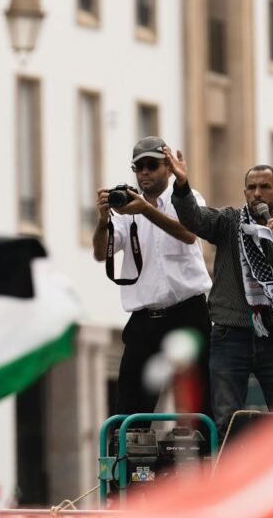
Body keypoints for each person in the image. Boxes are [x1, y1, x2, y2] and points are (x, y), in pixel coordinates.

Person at [162, 147, 273, 441]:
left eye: (265, 187)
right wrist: (182, 185)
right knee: (226, 421)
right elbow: (194, 218)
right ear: (245, 192)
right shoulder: (229, 222)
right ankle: (227, 480)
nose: (257, 193)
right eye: (251, 187)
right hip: (230, 336)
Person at [92, 136, 213, 419]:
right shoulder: (125, 207)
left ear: (168, 169)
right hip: (145, 318)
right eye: (139, 167)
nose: (144, 172)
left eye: (152, 165)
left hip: (188, 313)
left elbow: (189, 233)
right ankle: (133, 460)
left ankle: (204, 457)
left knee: (200, 400)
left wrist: (145, 210)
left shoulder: (187, 199)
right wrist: (101, 220)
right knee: (131, 405)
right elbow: (101, 253)